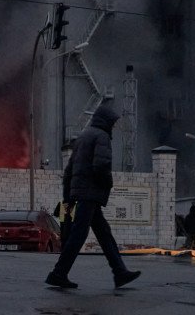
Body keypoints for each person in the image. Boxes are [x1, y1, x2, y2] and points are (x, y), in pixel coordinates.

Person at [45, 101, 141, 289]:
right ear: (106, 122)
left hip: (81, 193)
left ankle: (119, 272)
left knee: (104, 234)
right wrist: (108, 183)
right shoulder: (102, 136)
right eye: (112, 123)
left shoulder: (83, 137)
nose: (113, 127)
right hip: (90, 194)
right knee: (79, 234)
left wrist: (68, 197)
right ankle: (58, 273)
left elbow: (69, 170)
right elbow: (101, 166)